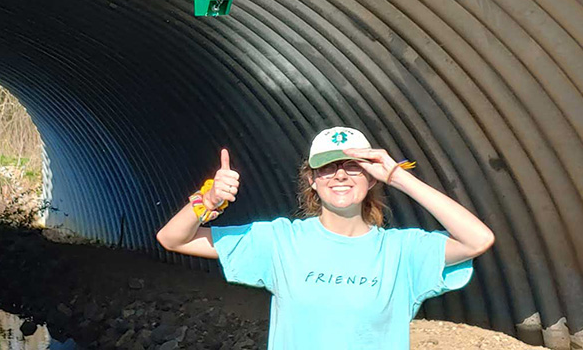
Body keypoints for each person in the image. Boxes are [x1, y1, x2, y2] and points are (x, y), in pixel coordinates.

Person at [156, 126, 495, 349]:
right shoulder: (279, 240)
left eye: (353, 166)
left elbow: (477, 240)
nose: (340, 175)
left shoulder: (402, 251)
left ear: (371, 177)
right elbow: (174, 239)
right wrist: (210, 200)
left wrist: (398, 177)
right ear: (313, 180)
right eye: (328, 168)